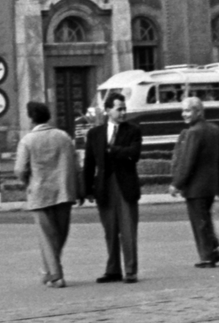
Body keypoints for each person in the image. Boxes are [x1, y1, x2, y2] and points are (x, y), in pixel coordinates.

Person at [15, 100, 81, 287]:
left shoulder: (27, 141)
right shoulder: (63, 137)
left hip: (39, 193)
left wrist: (27, 181)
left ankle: (55, 275)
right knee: (59, 235)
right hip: (63, 192)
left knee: (46, 236)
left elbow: (20, 169)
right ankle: (49, 271)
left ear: (30, 119)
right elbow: (76, 165)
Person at [82, 92, 143, 283]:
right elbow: (89, 163)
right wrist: (87, 189)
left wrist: (114, 150)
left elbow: (135, 153)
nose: (123, 112)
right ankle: (113, 270)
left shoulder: (132, 130)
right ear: (108, 110)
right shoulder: (95, 134)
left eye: (124, 109)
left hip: (125, 185)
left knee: (128, 230)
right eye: (119, 109)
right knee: (110, 230)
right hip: (104, 187)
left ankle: (130, 270)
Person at [168, 96, 219, 267]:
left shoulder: (193, 133)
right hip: (210, 186)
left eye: (187, 111)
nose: (183, 114)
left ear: (199, 112)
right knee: (205, 219)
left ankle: (207, 257)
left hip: (196, 187)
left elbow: (188, 161)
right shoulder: (215, 130)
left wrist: (177, 184)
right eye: (183, 111)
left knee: (199, 222)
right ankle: (213, 250)